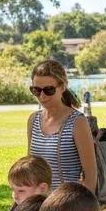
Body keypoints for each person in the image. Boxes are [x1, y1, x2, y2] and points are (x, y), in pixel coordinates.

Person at [26, 59, 97, 191]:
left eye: (49, 90)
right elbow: (30, 169)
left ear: (63, 87)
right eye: (36, 90)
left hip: (68, 206)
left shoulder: (78, 122)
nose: (42, 96)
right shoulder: (33, 120)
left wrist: (81, 208)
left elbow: (91, 177)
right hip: (38, 205)